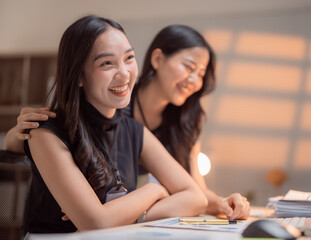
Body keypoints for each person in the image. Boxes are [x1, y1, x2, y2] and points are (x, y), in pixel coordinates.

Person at [5, 25, 250, 221]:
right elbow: (96, 222)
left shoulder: (140, 128)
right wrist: (154, 191)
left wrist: (220, 202)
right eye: (106, 63)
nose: (123, 73)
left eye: (129, 58)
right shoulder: (54, 131)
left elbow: (195, 193)